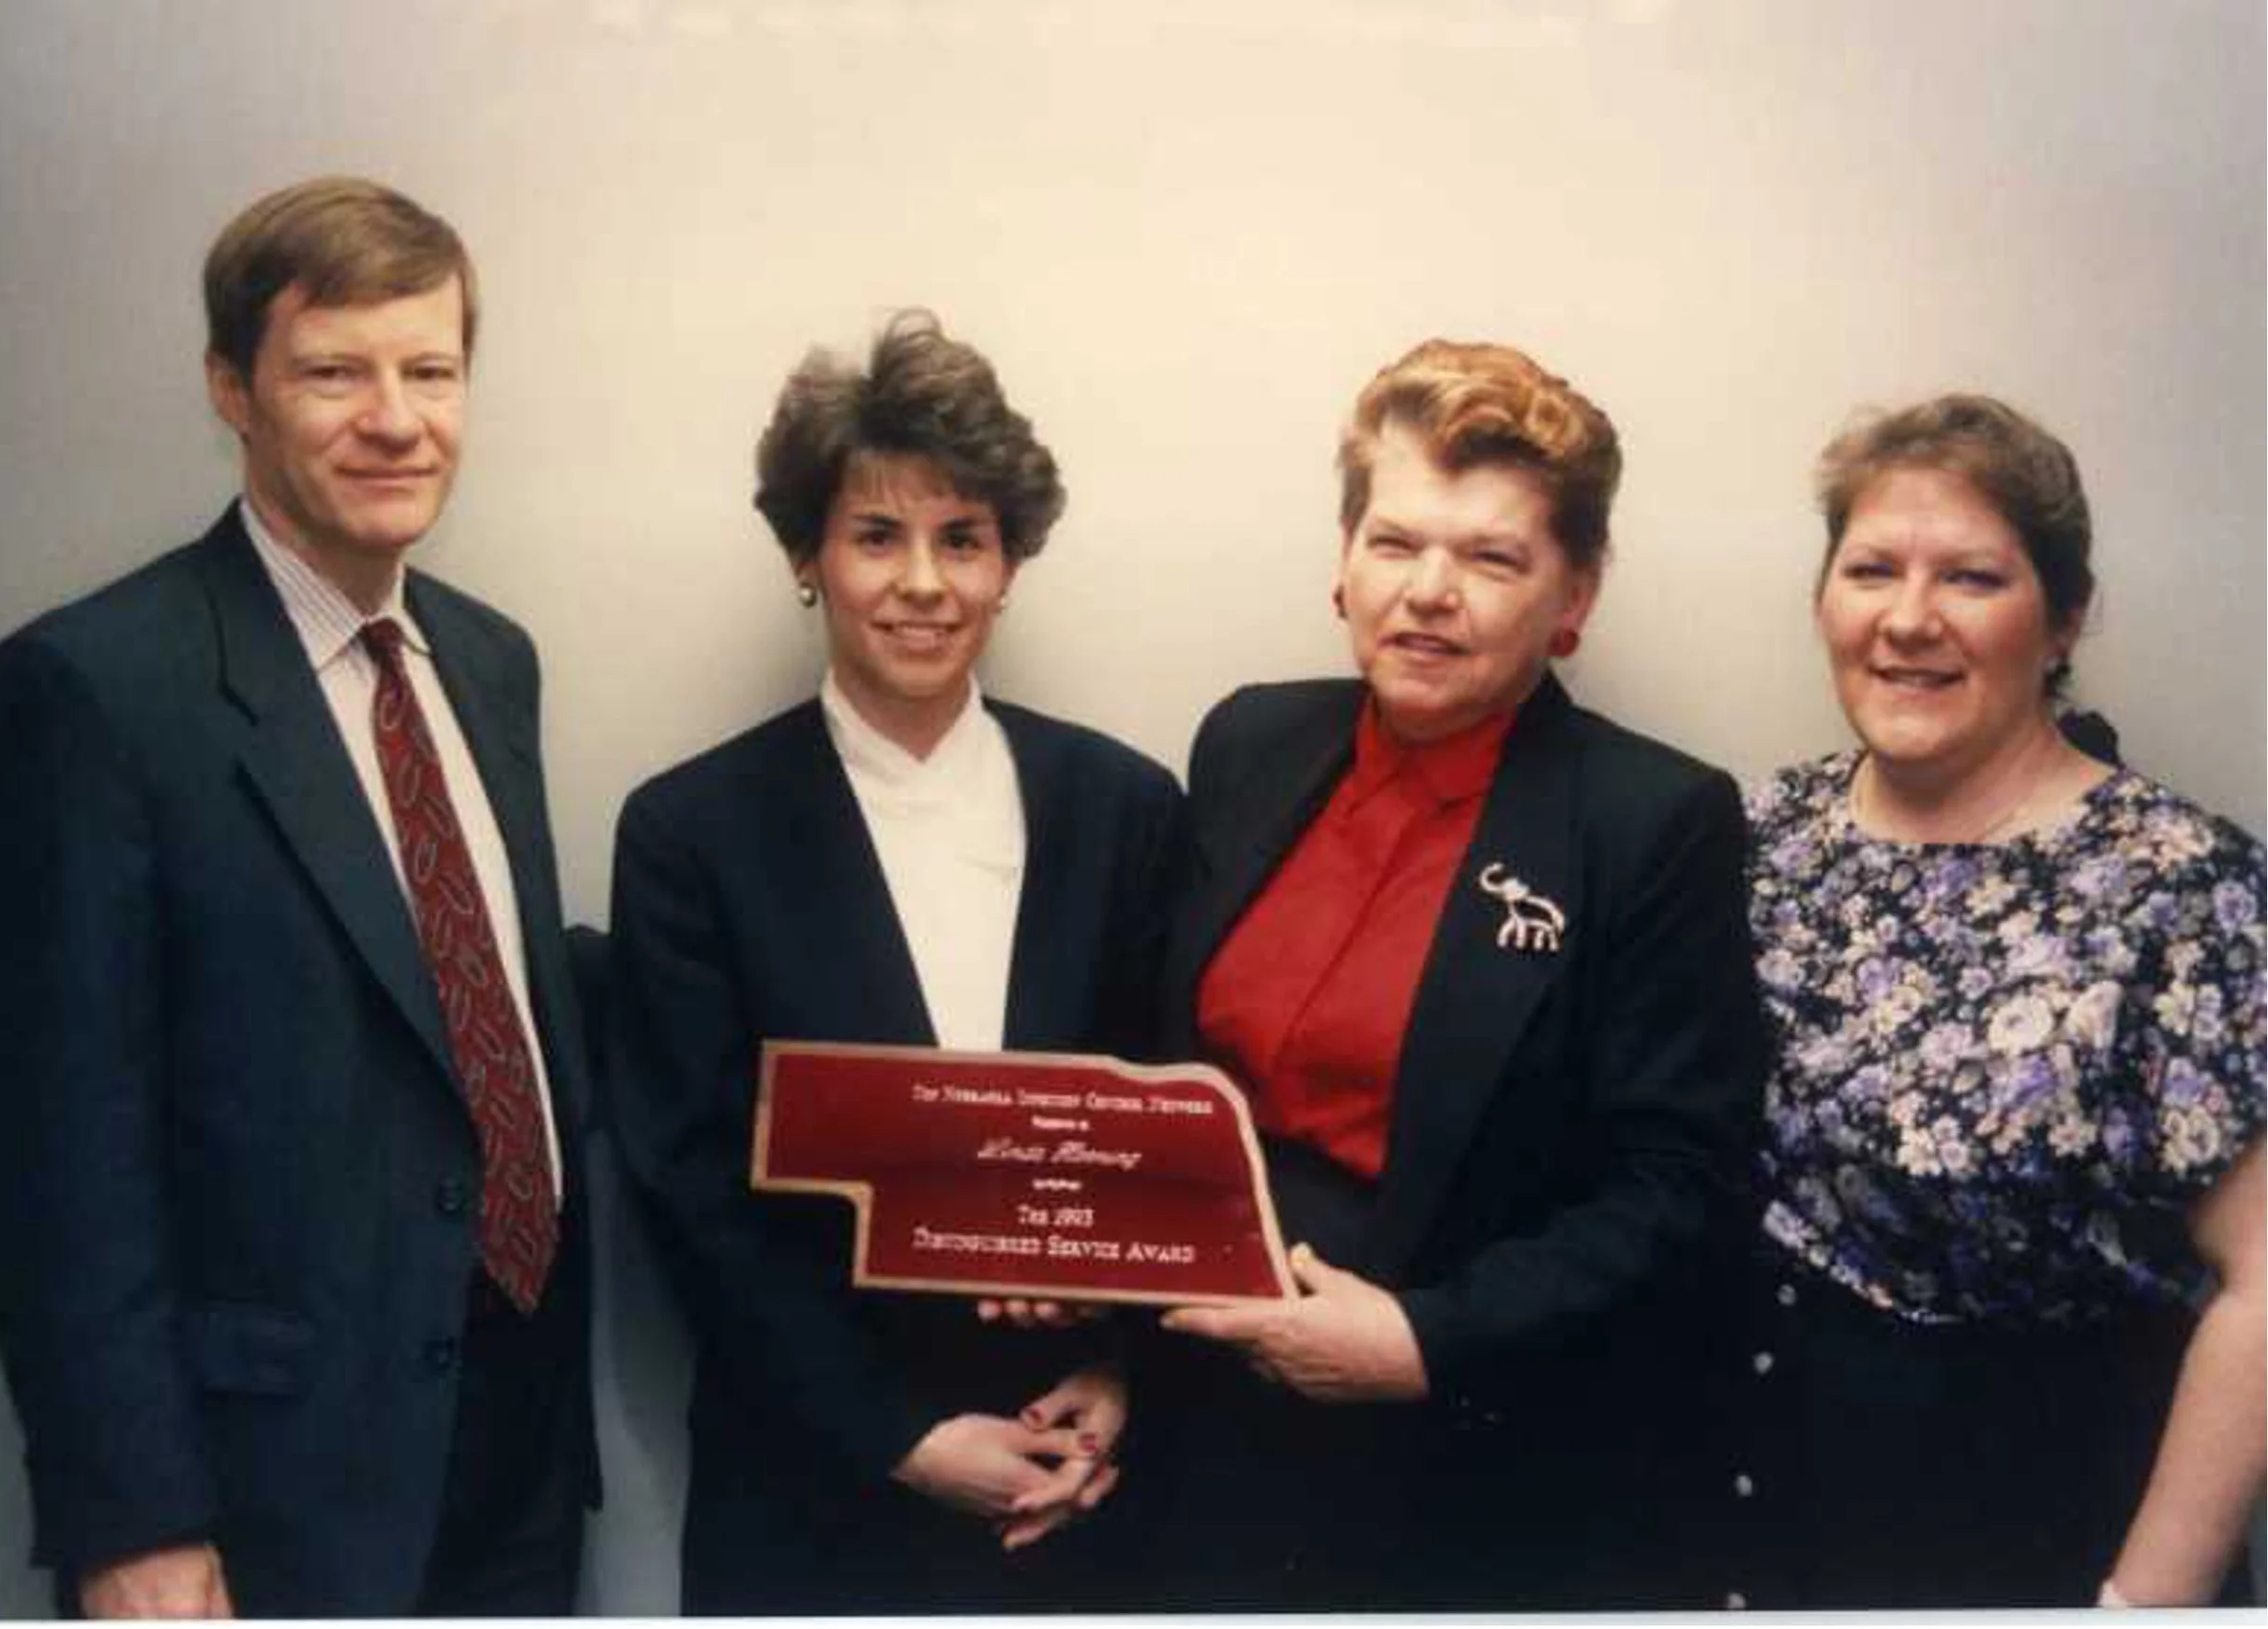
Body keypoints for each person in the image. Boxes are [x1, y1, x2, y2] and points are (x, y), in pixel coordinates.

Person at [0, 177, 597, 1618]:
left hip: (518, 1443)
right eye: (333, 372)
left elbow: (452, 1003)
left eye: (431, 371)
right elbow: (56, 1159)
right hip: (269, 1490)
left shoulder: (491, 665)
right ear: (231, 389)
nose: (395, 417)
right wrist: (132, 1523)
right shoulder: (83, 694)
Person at [1145, 339, 1766, 1609]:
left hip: (1458, 1454)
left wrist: (1429, 1341)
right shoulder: (1250, 738)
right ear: (1342, 564)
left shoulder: (1650, 820)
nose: (1430, 592)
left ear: (1575, 595)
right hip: (1194, 1413)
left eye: (1491, 558)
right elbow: (1164, 1075)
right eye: (1394, 542)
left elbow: (1679, 1184)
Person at [606, 309, 1182, 1613]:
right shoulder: (693, 831)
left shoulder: (1125, 806)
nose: (924, 581)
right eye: (877, 535)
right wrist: (901, 1439)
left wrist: (1122, 1371)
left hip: (1074, 1473)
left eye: (962, 539)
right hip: (810, 1490)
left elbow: (1169, 1133)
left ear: (1009, 564)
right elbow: (689, 1188)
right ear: (807, 556)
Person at [1730, 393, 2263, 1608]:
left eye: (1972, 577)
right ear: (1825, 599)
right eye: (1872, 569)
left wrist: (2143, 1606)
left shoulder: (2180, 885)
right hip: (1763, 1509)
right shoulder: (1757, 835)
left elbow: (2266, 1288)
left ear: (2063, 617)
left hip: (2038, 1530)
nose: (1909, 620)